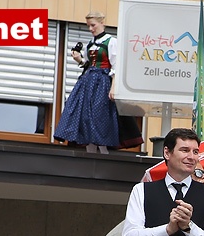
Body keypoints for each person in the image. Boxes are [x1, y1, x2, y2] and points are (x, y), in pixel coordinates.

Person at [53, 11, 141, 153]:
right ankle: (91, 153)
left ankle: (103, 153)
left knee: (99, 117)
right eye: (88, 26)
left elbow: (116, 66)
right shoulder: (90, 44)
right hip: (88, 84)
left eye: (93, 25)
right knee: (86, 117)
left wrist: (113, 87)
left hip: (102, 83)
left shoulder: (111, 42)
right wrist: (79, 60)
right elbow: (88, 64)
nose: (90, 29)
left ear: (102, 23)